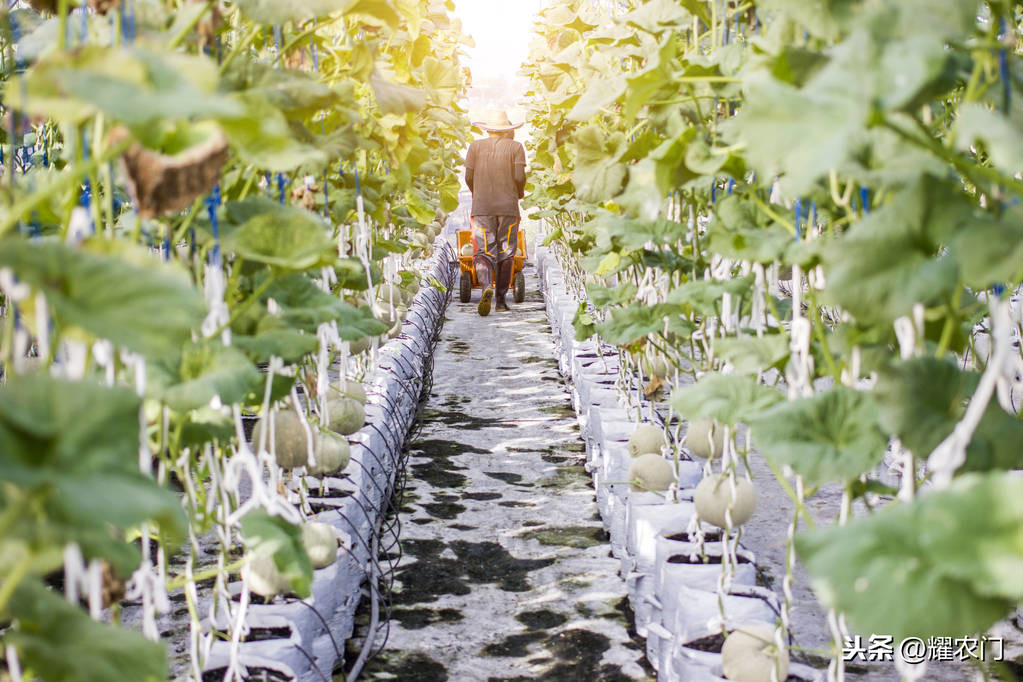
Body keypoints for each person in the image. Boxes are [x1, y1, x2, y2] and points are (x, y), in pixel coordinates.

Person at [464, 110, 526, 315]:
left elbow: (468, 177)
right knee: (506, 252)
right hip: (508, 207)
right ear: (508, 130)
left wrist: (478, 193)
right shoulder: (516, 147)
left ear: (487, 129)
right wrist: (518, 193)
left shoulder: (475, 147)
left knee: (483, 251)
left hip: (482, 207)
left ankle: (485, 287)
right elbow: (519, 177)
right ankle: (500, 302)